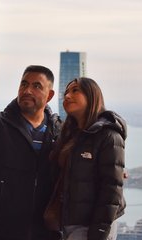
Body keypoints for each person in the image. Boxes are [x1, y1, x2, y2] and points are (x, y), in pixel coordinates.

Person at [0, 65, 62, 240]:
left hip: (44, 232)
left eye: (36, 86)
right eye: (24, 84)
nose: (27, 90)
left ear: (50, 95)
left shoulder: (59, 130)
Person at [47, 77, 127, 240]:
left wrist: (98, 232)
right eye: (66, 93)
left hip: (91, 226)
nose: (67, 96)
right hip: (67, 223)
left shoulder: (109, 135)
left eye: (75, 90)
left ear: (92, 95)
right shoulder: (69, 135)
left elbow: (111, 189)